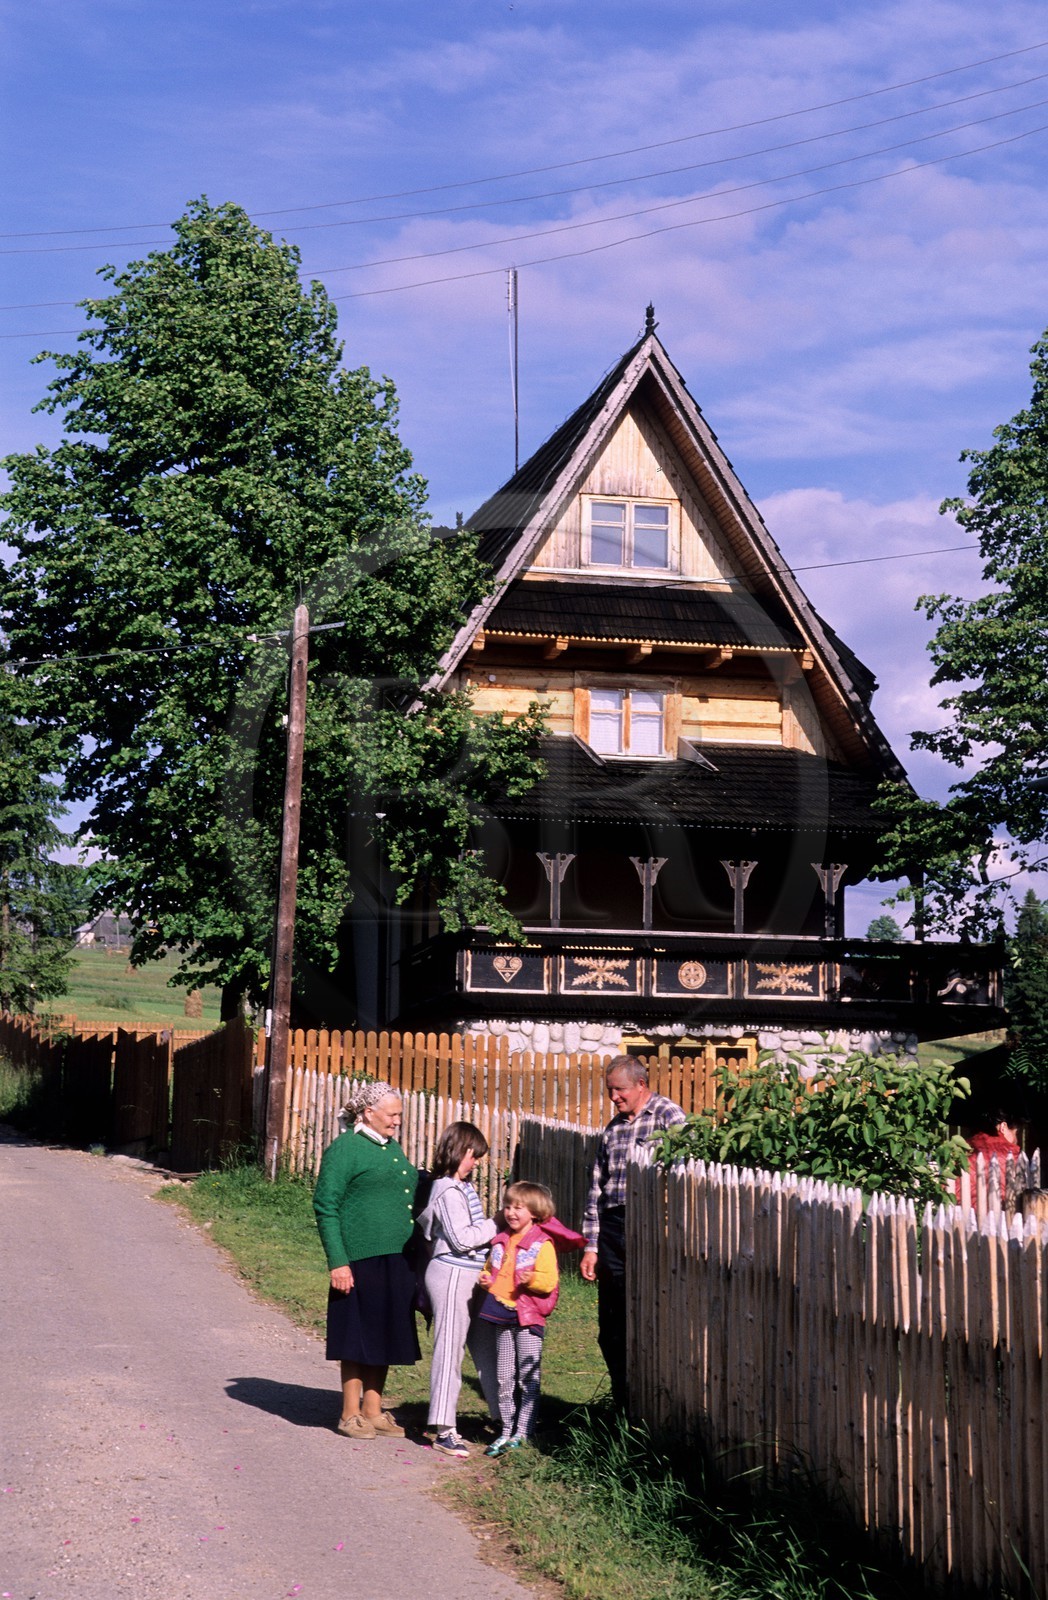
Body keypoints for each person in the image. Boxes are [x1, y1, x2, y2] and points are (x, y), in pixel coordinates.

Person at [313, 1079, 421, 1440]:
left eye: (399, 1115)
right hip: (359, 1259)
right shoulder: (346, 1149)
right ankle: (349, 1413)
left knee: (385, 1331)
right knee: (357, 1334)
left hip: (396, 1257)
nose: (397, 1122)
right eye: (392, 1115)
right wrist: (338, 1262)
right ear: (368, 1113)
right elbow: (326, 1206)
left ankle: (373, 1410)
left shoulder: (391, 1148)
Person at [580, 1055, 686, 1410]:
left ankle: (652, 1404)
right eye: (610, 1090)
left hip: (652, 1227)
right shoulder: (613, 1129)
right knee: (611, 1323)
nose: (614, 1097)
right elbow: (596, 1189)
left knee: (649, 1317)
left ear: (641, 1085)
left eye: (619, 1090)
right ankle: (623, 1401)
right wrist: (591, 1246)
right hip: (612, 1230)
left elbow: (686, 1177)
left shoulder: (669, 1118)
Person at [476, 1181, 585, 1455]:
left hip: (528, 1317)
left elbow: (549, 1281)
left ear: (534, 1212)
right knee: (504, 1377)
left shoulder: (541, 1244)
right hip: (500, 1312)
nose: (511, 1212)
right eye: (508, 1206)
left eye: (518, 1208)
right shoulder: (501, 1239)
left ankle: (523, 1432)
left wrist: (532, 1279)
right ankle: (505, 1430)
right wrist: (486, 1278)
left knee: (528, 1377)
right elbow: (492, 1267)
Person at [417, 1120, 499, 1459]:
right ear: (458, 1151)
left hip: (470, 1276)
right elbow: (462, 1239)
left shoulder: (461, 1187)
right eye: (473, 1155)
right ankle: (443, 1427)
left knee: (484, 1347)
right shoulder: (446, 1190)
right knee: (450, 1350)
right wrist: (499, 1223)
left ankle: (502, 1417)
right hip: (450, 1274)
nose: (476, 1162)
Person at [965, 1107, 1021, 1202]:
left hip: (959, 1211)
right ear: (1003, 1127)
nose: (1016, 1140)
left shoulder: (966, 1146)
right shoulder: (1010, 1153)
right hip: (1000, 1212)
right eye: (1015, 1134)